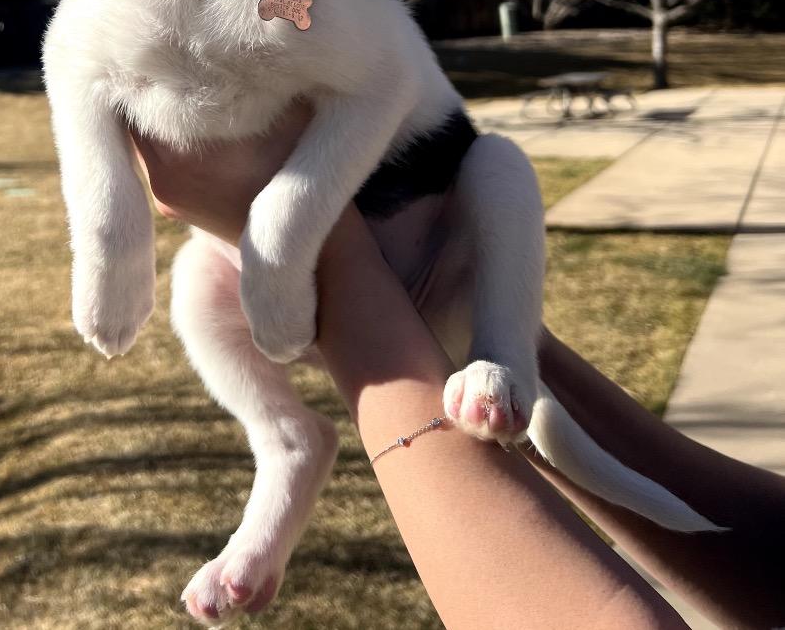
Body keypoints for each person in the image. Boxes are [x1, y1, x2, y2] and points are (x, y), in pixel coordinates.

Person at [133, 103, 785, 630]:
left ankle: (468, 364)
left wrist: (329, 260)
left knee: (497, 163)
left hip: (408, 214)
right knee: (195, 277)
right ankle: (287, 442)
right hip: (409, 241)